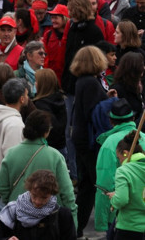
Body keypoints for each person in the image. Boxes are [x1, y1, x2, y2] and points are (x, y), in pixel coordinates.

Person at [0, 110, 77, 227]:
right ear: (46, 132)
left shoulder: (11, 153)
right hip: (49, 219)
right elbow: (67, 193)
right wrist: (73, 220)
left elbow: (2, 187)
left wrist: (12, 201)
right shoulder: (55, 156)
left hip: (19, 218)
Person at [69, 45, 113, 237]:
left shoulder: (82, 81)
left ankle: (76, 227)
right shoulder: (91, 83)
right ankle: (111, 226)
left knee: (86, 186)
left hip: (80, 137)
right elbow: (94, 112)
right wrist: (111, 101)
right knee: (99, 182)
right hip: (90, 140)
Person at [0, 78, 29, 240]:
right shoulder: (15, 124)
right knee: (15, 232)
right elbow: (13, 160)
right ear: (22, 98)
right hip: (6, 189)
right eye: (27, 94)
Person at [0, 170, 76, 240]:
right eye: (34, 195)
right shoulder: (12, 211)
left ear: (52, 194)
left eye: (44, 198)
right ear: (29, 190)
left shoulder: (62, 215)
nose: (38, 201)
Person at [94, 100, 138, 234]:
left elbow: (105, 185)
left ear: (111, 121)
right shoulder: (143, 138)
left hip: (121, 218)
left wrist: (101, 222)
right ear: (133, 118)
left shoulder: (109, 144)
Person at [107, 131, 145, 240]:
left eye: (119, 158)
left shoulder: (124, 171)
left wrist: (114, 198)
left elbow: (121, 200)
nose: (119, 161)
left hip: (130, 227)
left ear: (125, 153)